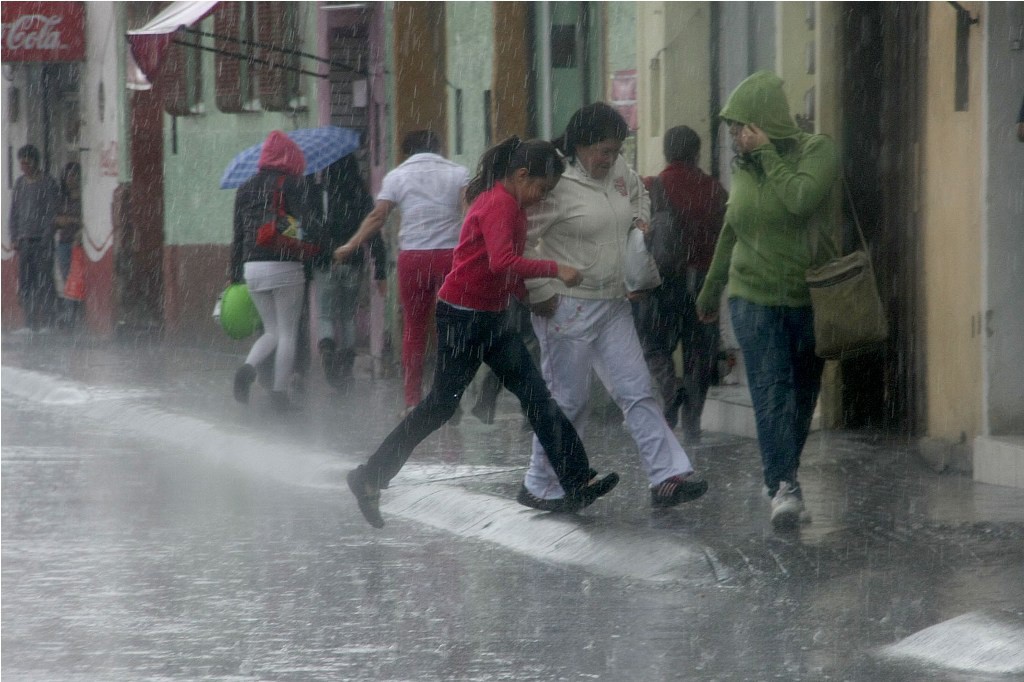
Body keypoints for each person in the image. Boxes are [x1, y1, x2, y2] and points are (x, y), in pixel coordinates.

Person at [343, 136, 619, 528]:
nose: (543, 197)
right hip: (462, 318)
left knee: (536, 396)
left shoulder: (514, 206)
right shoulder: (498, 204)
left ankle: (577, 479)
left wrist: (528, 299)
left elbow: (502, 271)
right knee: (441, 406)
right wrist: (555, 269)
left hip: (490, 318)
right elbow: (501, 259)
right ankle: (370, 474)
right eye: (542, 188)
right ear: (522, 175)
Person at [523, 103, 708, 510]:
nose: (610, 159)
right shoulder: (556, 183)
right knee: (569, 400)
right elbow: (521, 242)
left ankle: (666, 476)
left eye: (616, 149)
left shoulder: (619, 171)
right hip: (564, 307)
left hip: (613, 304)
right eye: (603, 150)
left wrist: (641, 220)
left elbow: (640, 193)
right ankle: (541, 483)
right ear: (580, 145)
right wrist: (540, 292)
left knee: (638, 390)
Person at [695, 71, 838, 530]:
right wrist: (711, 289)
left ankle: (781, 476)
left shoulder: (818, 151)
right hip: (752, 297)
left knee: (800, 397)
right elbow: (731, 230)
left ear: (765, 123)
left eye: (741, 126)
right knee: (772, 392)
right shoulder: (745, 169)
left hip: (810, 296)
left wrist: (770, 154)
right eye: (732, 129)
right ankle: (784, 487)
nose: (735, 136)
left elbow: (799, 199)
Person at [335, 131, 469, 415]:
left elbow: (378, 216)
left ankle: (412, 401)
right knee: (451, 328)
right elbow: (469, 214)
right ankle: (450, 397)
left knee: (414, 327)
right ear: (439, 147)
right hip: (451, 258)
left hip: (413, 259)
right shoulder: (458, 173)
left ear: (406, 151)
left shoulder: (397, 176)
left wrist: (351, 244)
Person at [632, 126, 727, 444]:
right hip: (704, 280)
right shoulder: (715, 189)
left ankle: (670, 389)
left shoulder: (654, 186)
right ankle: (693, 426)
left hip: (665, 280)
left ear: (667, 152)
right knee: (699, 354)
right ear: (697, 152)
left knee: (654, 344)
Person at [230, 130, 320, 410]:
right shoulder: (294, 184)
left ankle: (247, 368)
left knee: (271, 330)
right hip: (285, 264)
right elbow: (310, 225)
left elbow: (238, 235)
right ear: (291, 157)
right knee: (288, 333)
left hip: (252, 267)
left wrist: (234, 275)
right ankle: (280, 394)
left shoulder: (245, 187)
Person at [309, 154, 387, 387]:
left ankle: (327, 353)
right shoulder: (360, 194)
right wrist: (380, 268)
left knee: (326, 314)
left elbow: (310, 227)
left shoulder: (318, 193)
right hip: (353, 261)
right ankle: (346, 365)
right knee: (347, 315)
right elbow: (373, 233)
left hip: (325, 261)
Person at [8, 144, 60, 333]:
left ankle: (48, 322)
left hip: (42, 242)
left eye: (26, 163)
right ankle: (29, 322)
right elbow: (14, 213)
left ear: (35, 162)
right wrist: (14, 236)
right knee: (26, 283)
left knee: (45, 281)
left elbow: (51, 214)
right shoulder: (20, 184)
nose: (24, 167)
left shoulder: (48, 183)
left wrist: (46, 238)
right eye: (21, 163)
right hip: (24, 242)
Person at [53, 161, 84, 328]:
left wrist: (70, 220)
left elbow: (84, 221)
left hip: (78, 245)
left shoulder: (85, 198)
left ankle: (76, 314)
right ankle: (69, 315)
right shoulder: (62, 198)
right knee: (67, 280)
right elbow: (55, 219)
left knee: (78, 279)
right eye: (68, 176)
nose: (70, 179)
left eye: (73, 175)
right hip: (64, 244)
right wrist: (64, 220)